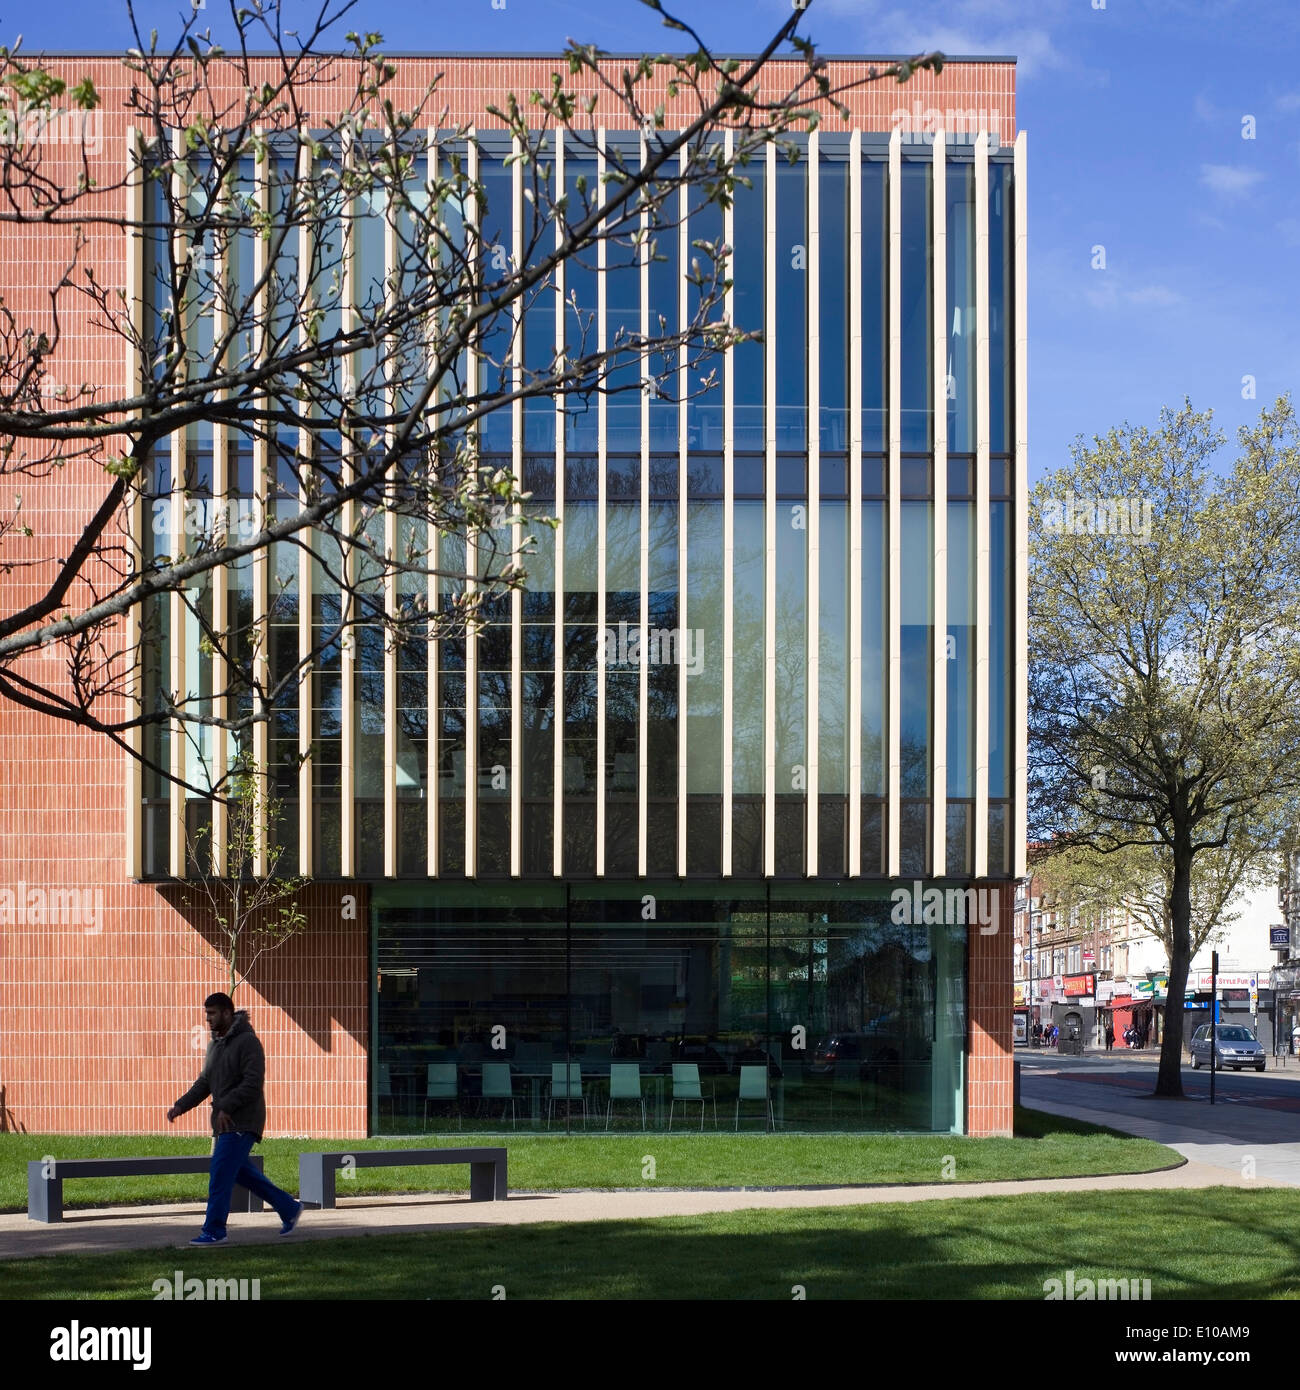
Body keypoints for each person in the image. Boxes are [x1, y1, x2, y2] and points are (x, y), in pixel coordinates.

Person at [168, 992, 303, 1246]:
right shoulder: (215, 1045)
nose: (208, 1018)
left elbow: (253, 1083)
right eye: (206, 1013)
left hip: (242, 1121)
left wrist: (226, 1106)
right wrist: (180, 1106)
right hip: (225, 1122)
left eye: (213, 1013)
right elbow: (205, 1082)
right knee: (242, 1173)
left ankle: (215, 1230)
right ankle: (289, 1209)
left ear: (228, 1013)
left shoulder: (248, 1043)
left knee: (220, 1173)